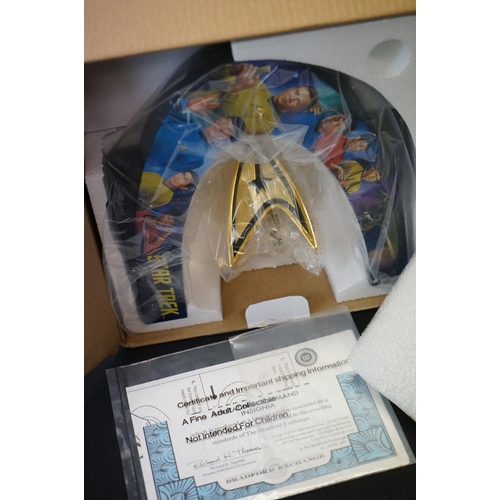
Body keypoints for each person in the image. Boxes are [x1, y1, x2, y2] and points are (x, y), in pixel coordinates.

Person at [144, 114, 245, 176]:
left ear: (226, 140)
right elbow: (164, 115)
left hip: (140, 157)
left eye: (228, 131)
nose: (221, 128)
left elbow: (164, 173)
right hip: (142, 125)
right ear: (221, 118)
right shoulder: (192, 121)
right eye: (226, 122)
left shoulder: (198, 156)